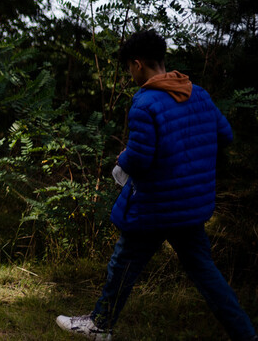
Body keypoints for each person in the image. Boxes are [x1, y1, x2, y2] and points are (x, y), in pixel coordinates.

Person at [56, 30, 256, 341]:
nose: (130, 75)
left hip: (154, 206)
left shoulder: (145, 102)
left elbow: (139, 159)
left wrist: (123, 156)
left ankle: (100, 325)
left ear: (137, 64)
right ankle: (246, 335)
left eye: (128, 69)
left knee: (122, 264)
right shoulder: (198, 93)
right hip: (191, 205)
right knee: (207, 274)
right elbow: (224, 134)